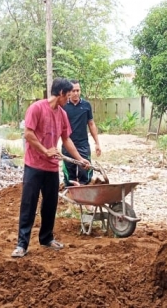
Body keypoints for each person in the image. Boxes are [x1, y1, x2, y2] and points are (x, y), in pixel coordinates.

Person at [11, 78, 90, 258]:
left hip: (52, 167)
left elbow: (66, 139)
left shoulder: (62, 114)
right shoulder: (36, 108)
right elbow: (28, 134)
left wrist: (80, 159)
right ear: (61, 93)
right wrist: (45, 151)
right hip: (34, 165)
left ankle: (46, 238)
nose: (69, 99)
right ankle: (22, 244)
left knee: (50, 204)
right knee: (28, 205)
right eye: (68, 95)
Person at [62, 80, 101, 186]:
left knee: (85, 170)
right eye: (73, 90)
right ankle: (70, 196)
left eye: (78, 90)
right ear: (69, 92)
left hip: (83, 144)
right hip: (67, 144)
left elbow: (91, 124)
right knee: (69, 175)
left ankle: (84, 194)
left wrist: (97, 143)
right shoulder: (63, 106)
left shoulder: (86, 105)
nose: (76, 93)